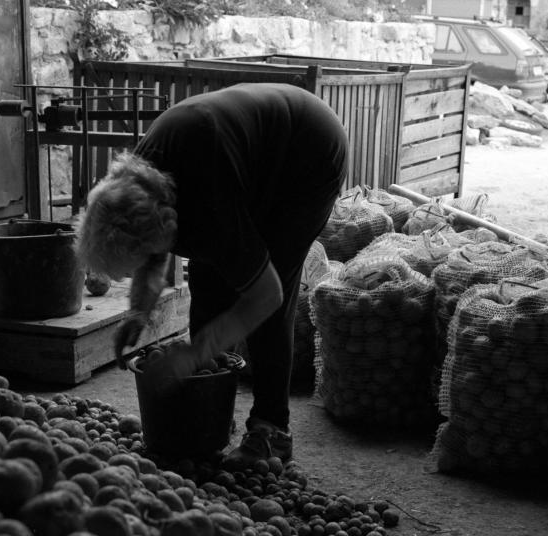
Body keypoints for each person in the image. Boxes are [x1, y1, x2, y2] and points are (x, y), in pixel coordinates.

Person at [75, 81, 349, 469]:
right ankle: (211, 411)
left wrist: (193, 356)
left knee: (273, 291)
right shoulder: (134, 185)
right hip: (238, 153)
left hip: (309, 150)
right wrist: (138, 312)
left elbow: (265, 295)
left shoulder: (206, 207)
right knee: (208, 283)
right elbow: (152, 248)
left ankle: (272, 429)